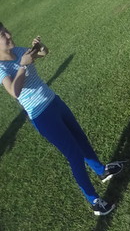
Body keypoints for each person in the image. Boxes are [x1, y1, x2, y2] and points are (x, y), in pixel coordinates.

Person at [0, 22, 123, 216]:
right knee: (74, 155)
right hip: (41, 116)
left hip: (54, 102)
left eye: (6, 30)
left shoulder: (21, 51)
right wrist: (22, 66)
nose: (8, 35)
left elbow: (42, 54)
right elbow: (14, 92)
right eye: (2, 35)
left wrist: (40, 48)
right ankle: (94, 202)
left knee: (79, 137)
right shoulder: (1, 68)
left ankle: (101, 170)